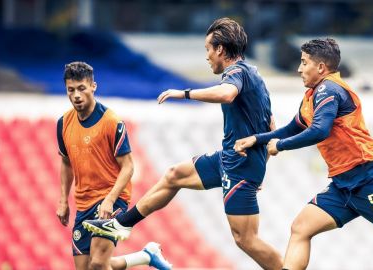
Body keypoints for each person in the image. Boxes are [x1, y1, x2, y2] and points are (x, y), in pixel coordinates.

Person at [83, 18, 283, 269]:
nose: (207, 57)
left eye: (208, 50)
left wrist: (183, 93)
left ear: (220, 49)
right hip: (231, 159)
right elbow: (271, 124)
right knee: (174, 175)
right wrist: (260, 166)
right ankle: (121, 224)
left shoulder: (235, 73)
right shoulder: (254, 74)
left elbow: (227, 94)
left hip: (240, 166)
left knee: (245, 239)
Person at [234, 38, 373, 270]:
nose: (299, 69)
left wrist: (281, 146)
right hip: (343, 184)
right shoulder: (313, 95)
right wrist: (258, 139)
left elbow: (319, 130)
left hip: (368, 180)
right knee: (301, 228)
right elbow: (294, 127)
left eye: (304, 63)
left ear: (321, 67)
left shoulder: (329, 89)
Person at [56, 61, 172, 270]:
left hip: (111, 199)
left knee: (98, 265)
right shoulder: (63, 123)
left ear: (93, 87)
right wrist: (63, 200)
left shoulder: (111, 122)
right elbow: (66, 163)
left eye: (81, 88)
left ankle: (146, 256)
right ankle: (146, 256)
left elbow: (128, 166)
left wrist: (110, 200)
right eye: (71, 90)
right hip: (83, 204)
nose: (76, 95)